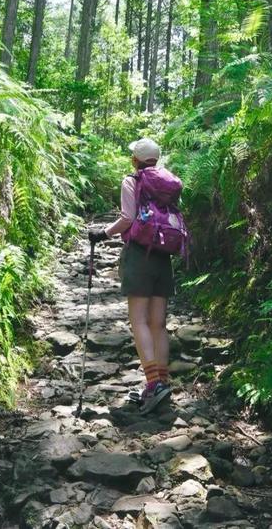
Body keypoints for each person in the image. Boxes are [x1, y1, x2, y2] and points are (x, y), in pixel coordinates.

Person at [88, 137, 174, 414]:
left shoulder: (133, 181)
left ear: (136, 159)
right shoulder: (168, 183)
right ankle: (162, 381)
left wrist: (102, 233)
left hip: (140, 255)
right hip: (163, 256)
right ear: (156, 160)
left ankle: (153, 385)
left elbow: (128, 217)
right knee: (158, 323)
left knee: (138, 320)